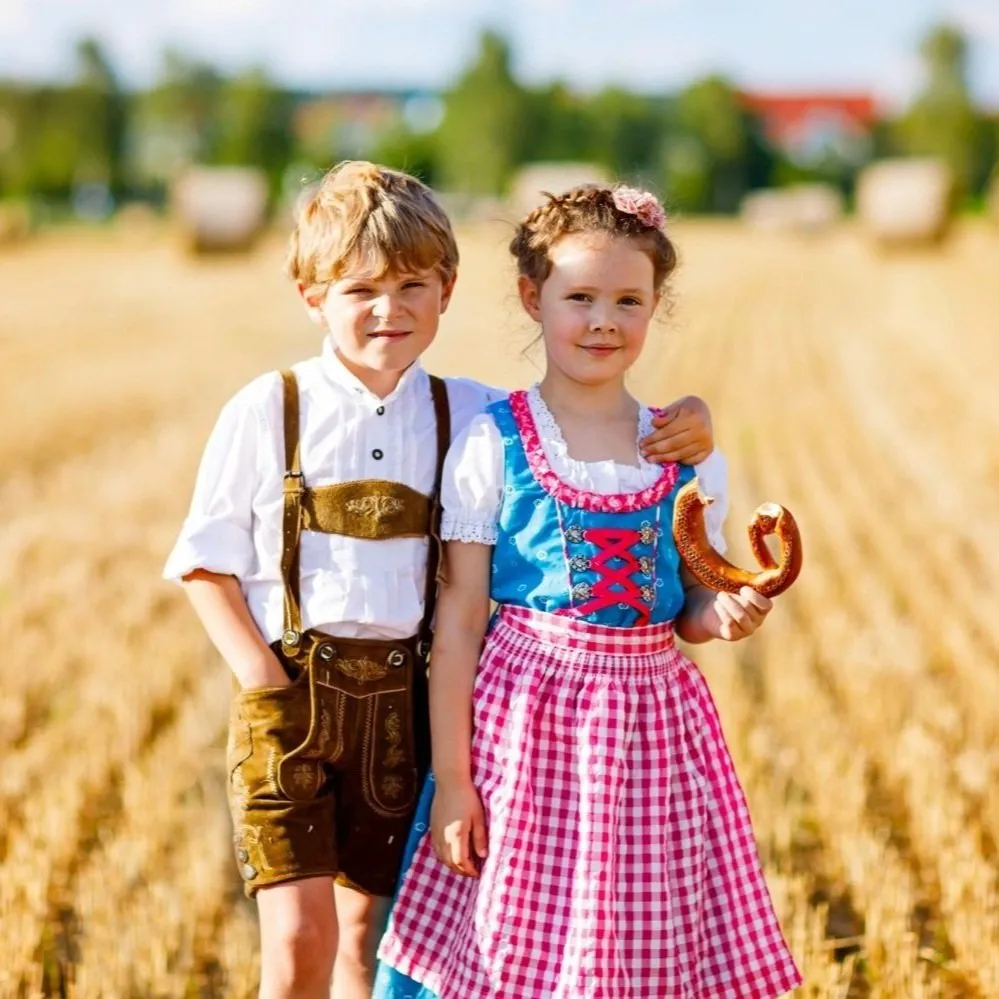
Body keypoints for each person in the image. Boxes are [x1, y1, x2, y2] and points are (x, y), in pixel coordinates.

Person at [162, 162, 719, 999]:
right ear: (311, 295)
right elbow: (204, 562)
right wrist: (264, 680)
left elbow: (581, 414)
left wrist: (689, 421)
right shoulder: (268, 407)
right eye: (361, 289)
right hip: (292, 701)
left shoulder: (471, 414)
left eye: (411, 286)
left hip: (406, 704)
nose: (388, 309)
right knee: (298, 938)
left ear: (447, 291)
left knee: (366, 934)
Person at [376, 183, 802, 998]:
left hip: (651, 733)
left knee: (640, 937)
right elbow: (459, 623)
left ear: (654, 307)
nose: (603, 320)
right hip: (524, 729)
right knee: (511, 938)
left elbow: (691, 602)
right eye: (580, 297)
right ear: (531, 298)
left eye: (627, 301)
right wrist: (455, 783)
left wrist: (725, 612)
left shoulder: (680, 449)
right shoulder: (493, 441)